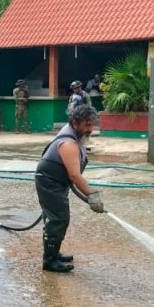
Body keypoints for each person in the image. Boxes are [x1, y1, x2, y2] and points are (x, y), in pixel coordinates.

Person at [35, 105, 105, 273]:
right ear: (75, 123)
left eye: (92, 124)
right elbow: (74, 175)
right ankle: (50, 261)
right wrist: (92, 195)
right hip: (50, 183)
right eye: (87, 125)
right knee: (59, 219)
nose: (90, 129)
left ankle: (54, 252)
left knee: (54, 218)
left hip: (57, 181)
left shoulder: (76, 135)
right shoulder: (68, 144)